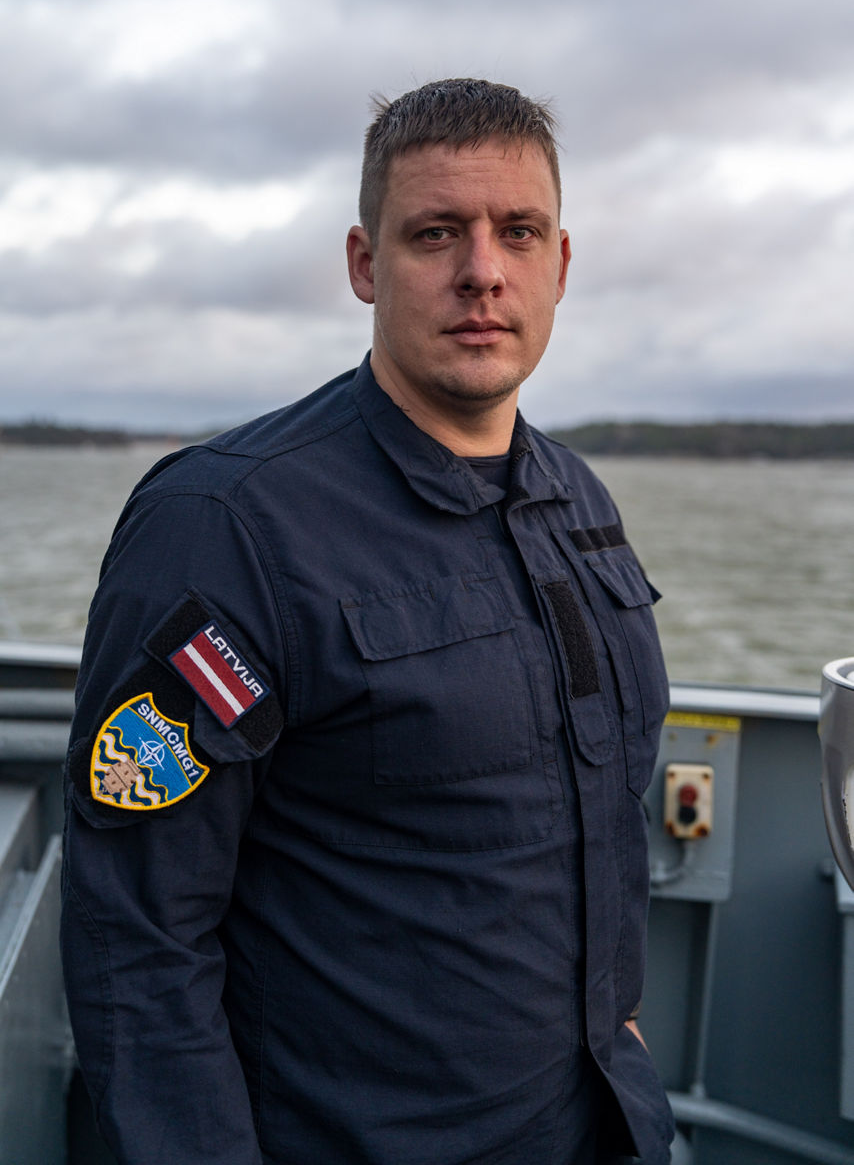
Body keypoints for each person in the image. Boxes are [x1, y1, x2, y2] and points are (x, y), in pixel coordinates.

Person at [61, 78, 675, 1164]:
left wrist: (615, 1017)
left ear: (560, 264)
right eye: (435, 232)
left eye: (516, 232)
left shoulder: (575, 499)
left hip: (591, 1126)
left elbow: (596, 809)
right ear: (363, 264)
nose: (481, 270)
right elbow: (139, 940)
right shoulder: (225, 524)